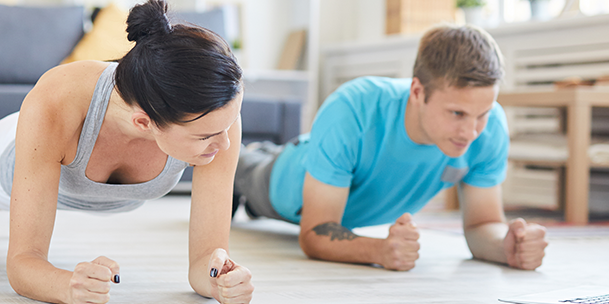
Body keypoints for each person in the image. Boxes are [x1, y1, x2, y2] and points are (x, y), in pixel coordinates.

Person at [0, 0, 253, 304]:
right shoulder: (58, 99)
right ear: (144, 123)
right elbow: (23, 263)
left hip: (72, 158)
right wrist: (68, 286)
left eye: (225, 128)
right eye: (207, 136)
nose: (225, 145)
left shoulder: (214, 116)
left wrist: (218, 280)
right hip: (13, 155)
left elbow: (202, 264)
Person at [233, 24, 548, 271]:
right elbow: (315, 232)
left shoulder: (489, 129)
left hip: (344, 206)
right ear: (417, 91)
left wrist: (506, 246)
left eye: (483, 114)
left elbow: (482, 225)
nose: (471, 131)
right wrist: (380, 250)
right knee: (241, 167)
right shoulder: (354, 107)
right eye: (457, 114)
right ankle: (251, 160)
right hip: (283, 182)